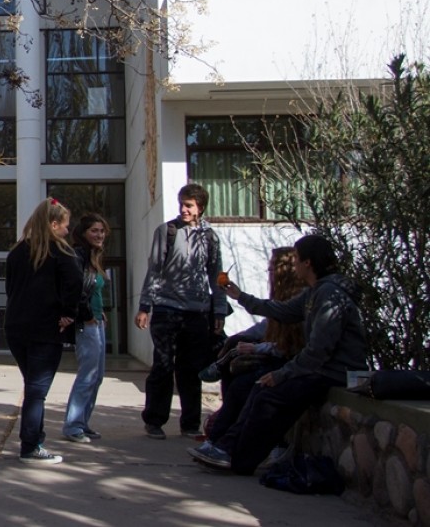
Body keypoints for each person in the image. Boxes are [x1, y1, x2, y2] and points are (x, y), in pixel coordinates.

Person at [188, 235, 368, 474]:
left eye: (296, 259)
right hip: (320, 369)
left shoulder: (330, 295)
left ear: (308, 264)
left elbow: (318, 351)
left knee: (270, 395)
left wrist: (282, 374)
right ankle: (226, 449)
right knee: (260, 388)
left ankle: (238, 458)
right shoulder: (316, 292)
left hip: (334, 372)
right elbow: (281, 311)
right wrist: (240, 296)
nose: (294, 265)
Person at [135, 183, 231, 440]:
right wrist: (145, 306)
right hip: (166, 309)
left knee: (190, 370)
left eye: (189, 205)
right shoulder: (166, 231)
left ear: (200, 207)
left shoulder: (210, 237)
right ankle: (154, 420)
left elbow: (216, 275)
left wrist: (219, 311)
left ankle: (190, 423)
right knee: (163, 365)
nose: (184, 209)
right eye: (182, 204)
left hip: (197, 313)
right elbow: (154, 270)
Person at [5, 198, 84, 466]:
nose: (66, 231)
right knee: (37, 390)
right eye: (65, 226)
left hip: (16, 327)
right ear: (53, 224)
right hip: (44, 328)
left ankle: (34, 438)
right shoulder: (62, 252)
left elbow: (10, 289)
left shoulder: (17, 252)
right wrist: (68, 314)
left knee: (33, 386)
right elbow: (75, 283)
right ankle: (31, 446)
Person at [203, 246, 306, 445]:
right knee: (235, 356)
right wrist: (240, 337)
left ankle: (221, 441)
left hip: (289, 364)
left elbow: (291, 346)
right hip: (278, 357)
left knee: (243, 386)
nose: (268, 274)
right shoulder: (282, 298)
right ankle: (218, 435)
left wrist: (257, 348)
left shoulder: (300, 300)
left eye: (271, 269)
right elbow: (267, 323)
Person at [62, 213, 110, 443]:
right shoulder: (78, 255)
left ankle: (83, 422)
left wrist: (100, 314)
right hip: (86, 323)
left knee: (97, 376)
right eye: (94, 231)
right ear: (83, 234)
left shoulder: (95, 257)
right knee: (87, 375)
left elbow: (95, 290)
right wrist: (88, 315)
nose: (99, 234)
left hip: (97, 321)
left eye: (101, 231)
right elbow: (77, 290)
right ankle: (73, 426)